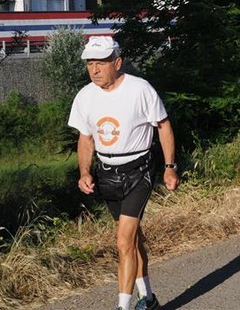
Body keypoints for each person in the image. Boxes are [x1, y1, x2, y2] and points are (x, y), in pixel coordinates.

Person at [68, 36, 180, 310]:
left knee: (122, 242)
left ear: (117, 63)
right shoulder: (85, 96)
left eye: (101, 63)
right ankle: (149, 299)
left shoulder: (140, 89)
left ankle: (123, 306)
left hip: (138, 172)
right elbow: (86, 138)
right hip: (106, 174)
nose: (95, 69)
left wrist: (169, 167)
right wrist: (84, 172)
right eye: (90, 63)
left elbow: (163, 126)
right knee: (132, 239)